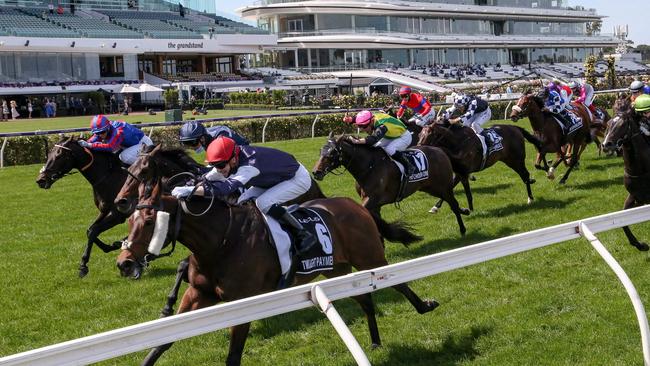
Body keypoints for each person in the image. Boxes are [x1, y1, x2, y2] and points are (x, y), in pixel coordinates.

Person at [170, 136, 317, 260]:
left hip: (296, 178)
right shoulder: (230, 159)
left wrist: (193, 191)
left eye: (221, 164)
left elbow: (224, 188)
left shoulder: (249, 166)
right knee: (241, 202)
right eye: (214, 164)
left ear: (234, 159)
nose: (219, 169)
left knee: (263, 203)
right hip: (272, 178)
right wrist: (192, 183)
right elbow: (209, 176)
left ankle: (303, 233)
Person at [346, 110, 416, 175]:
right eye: (359, 126)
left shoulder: (382, 125)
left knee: (389, 149)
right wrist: (351, 119)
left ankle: (409, 166)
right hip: (390, 136)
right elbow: (361, 117)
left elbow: (374, 139)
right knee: (375, 147)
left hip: (403, 136)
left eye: (364, 126)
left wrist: (357, 141)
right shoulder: (371, 118)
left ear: (372, 121)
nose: (362, 129)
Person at [78, 115, 153, 165]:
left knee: (123, 156)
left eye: (102, 132)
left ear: (107, 128)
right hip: (130, 145)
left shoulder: (117, 131)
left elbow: (110, 147)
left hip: (143, 144)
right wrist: (85, 143)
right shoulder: (105, 127)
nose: (100, 135)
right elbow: (94, 138)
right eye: (97, 133)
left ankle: (147, 167)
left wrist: (90, 145)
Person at [178, 121, 249, 153]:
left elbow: (222, 166)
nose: (190, 147)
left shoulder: (219, 140)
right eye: (185, 143)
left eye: (192, 143)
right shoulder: (205, 138)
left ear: (202, 139)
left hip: (243, 155)